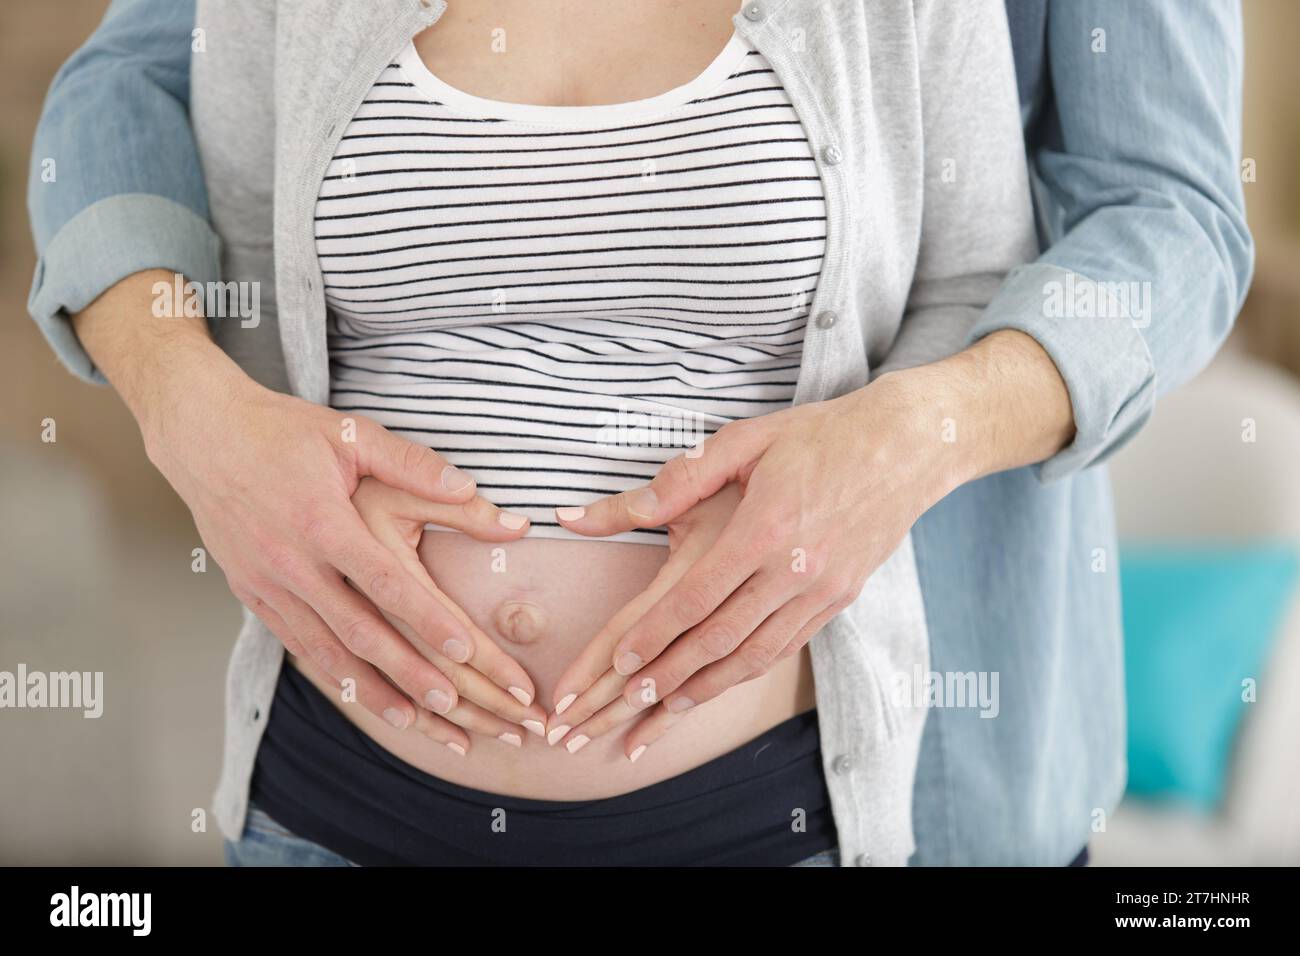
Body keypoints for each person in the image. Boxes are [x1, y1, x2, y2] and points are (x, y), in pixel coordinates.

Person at [26, 0, 1252, 865]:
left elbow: (1163, 217)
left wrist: (909, 436)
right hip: (333, 803)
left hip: (790, 804)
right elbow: (149, 106)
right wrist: (192, 408)